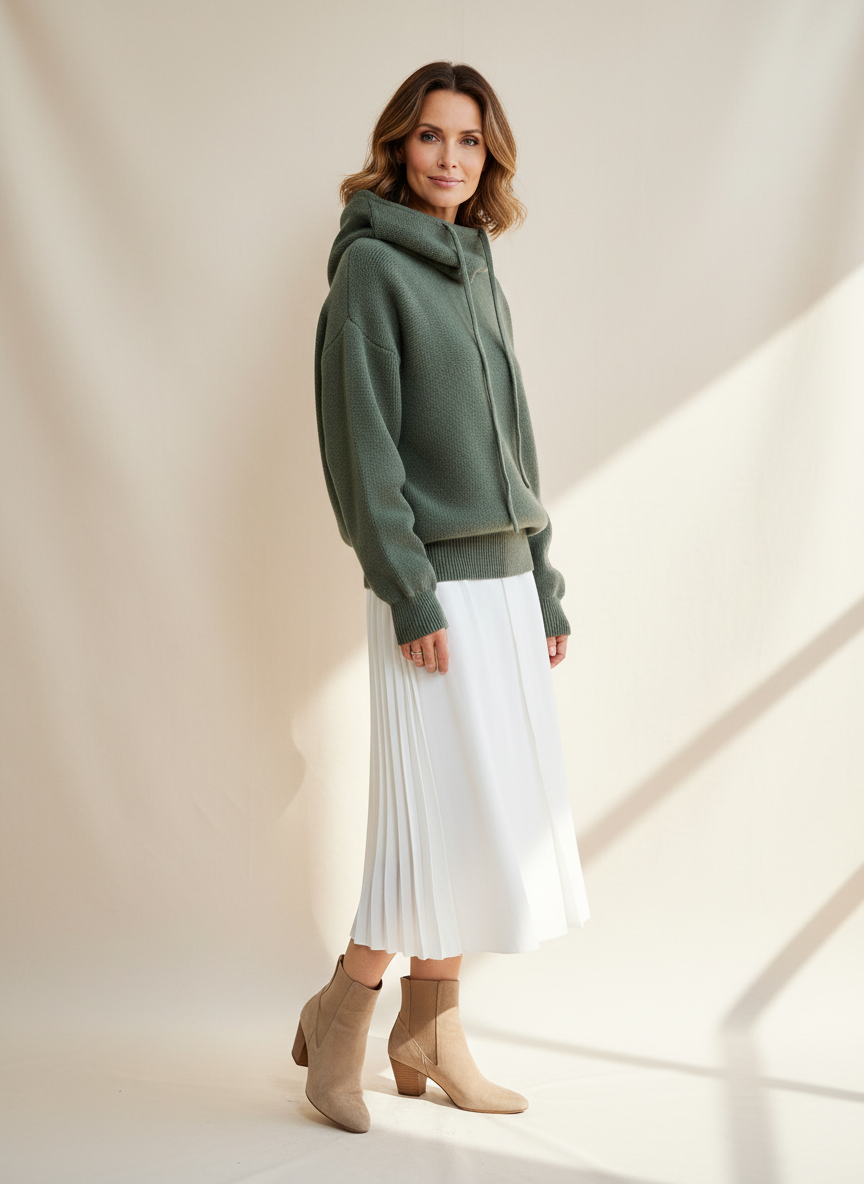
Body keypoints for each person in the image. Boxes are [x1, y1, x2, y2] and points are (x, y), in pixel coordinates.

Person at [296, 60, 590, 1133]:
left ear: (489, 156)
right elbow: (363, 453)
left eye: (469, 140)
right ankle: (342, 1016)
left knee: (478, 819)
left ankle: (430, 1029)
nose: (450, 158)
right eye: (431, 136)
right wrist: (410, 592)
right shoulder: (371, 272)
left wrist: (543, 583)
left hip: (505, 583)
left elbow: (516, 444)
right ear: (398, 145)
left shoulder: (477, 266)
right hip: (432, 589)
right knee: (422, 826)